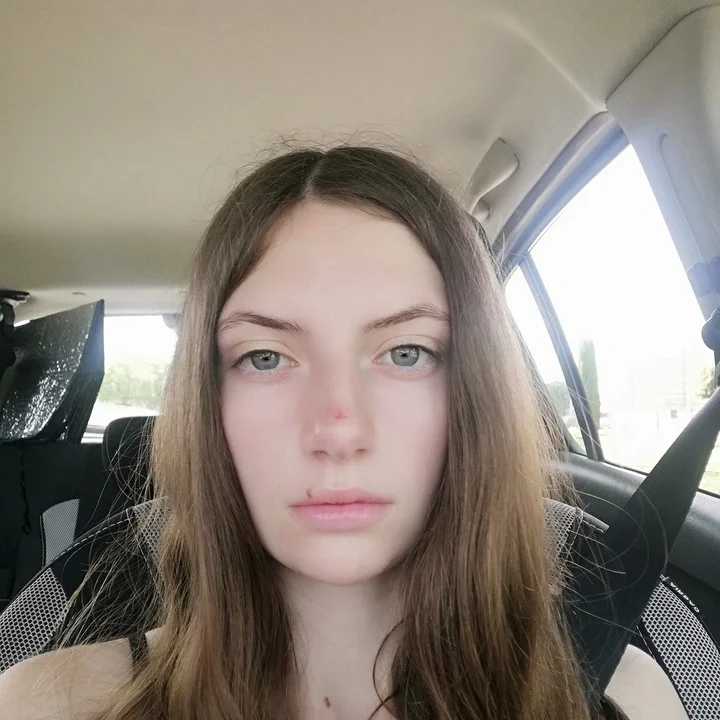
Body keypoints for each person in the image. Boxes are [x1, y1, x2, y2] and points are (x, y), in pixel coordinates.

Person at [0, 145, 688, 720]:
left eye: (407, 353)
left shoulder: (620, 695)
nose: (338, 430)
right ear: (209, 406)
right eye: (265, 358)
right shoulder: (47, 705)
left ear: (475, 393)